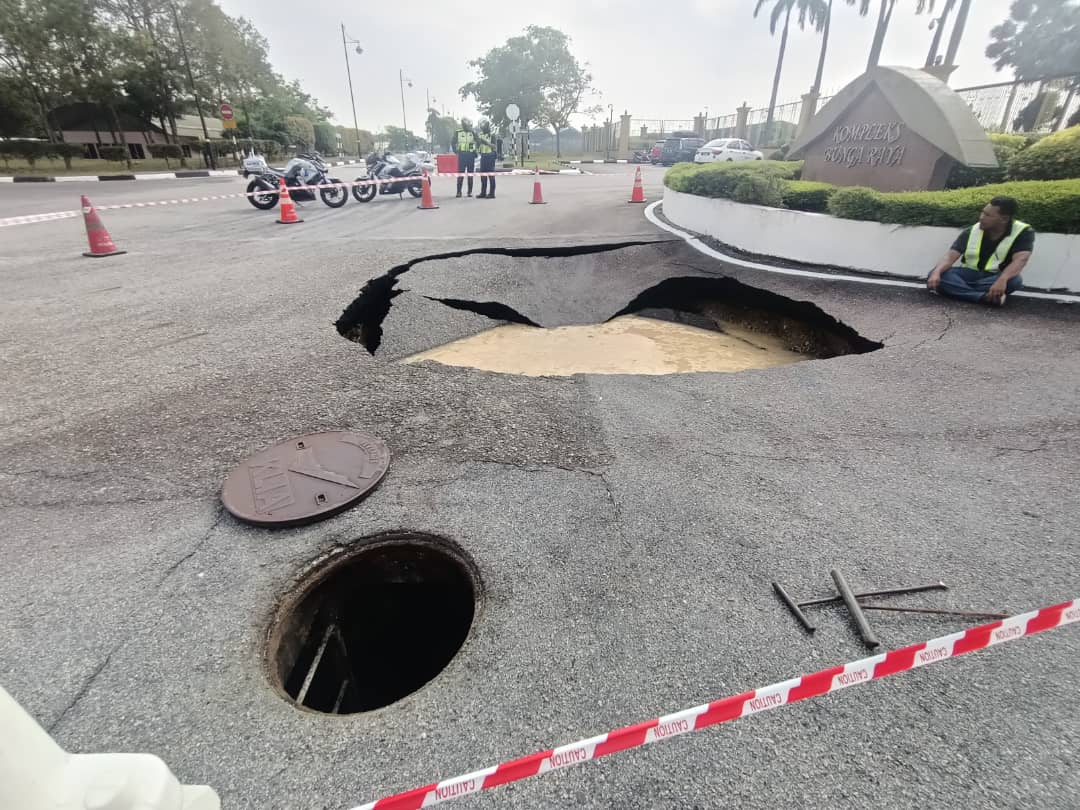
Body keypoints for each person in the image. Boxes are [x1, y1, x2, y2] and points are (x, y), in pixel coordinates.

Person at [927, 196, 1034, 306]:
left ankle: (958, 290)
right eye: (982, 213)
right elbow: (950, 256)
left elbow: (1021, 260)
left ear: (1004, 219)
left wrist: (1003, 279)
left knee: (1014, 281)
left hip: (994, 277)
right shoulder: (972, 230)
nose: (981, 217)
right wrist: (937, 272)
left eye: (987, 215)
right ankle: (983, 297)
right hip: (968, 274)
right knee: (937, 273)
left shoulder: (1023, 232)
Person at [476, 120, 502, 199]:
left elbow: (494, 146)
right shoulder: (480, 135)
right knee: (483, 175)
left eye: (483, 126)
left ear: (487, 126)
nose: (482, 127)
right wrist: (478, 145)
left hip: (490, 156)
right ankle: (483, 193)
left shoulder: (492, 135)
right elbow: (478, 145)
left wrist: (486, 142)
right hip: (483, 156)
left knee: (491, 175)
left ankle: (492, 193)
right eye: (481, 126)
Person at [452, 118, 477, 198]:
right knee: (460, 174)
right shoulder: (458, 133)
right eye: (466, 125)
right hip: (462, 156)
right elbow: (453, 142)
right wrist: (456, 151)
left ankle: (469, 192)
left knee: (470, 175)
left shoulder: (473, 132)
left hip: (470, 156)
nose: (468, 127)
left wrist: (475, 151)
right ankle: (459, 192)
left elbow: (478, 141)